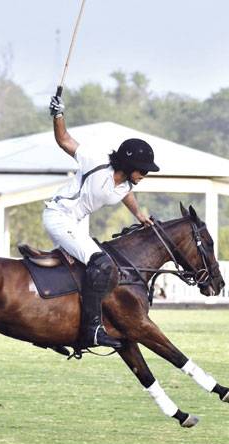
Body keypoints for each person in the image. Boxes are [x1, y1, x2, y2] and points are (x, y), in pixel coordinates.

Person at [44, 95, 159, 349]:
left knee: (87, 270)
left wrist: (139, 215)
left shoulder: (126, 184)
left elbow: (125, 194)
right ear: (129, 165)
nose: (145, 175)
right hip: (60, 215)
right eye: (144, 170)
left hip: (78, 222)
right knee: (102, 264)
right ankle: (92, 330)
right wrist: (58, 114)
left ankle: (55, 330)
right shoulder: (95, 161)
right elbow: (64, 140)